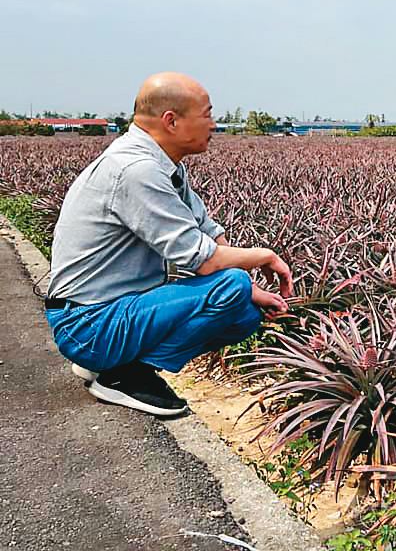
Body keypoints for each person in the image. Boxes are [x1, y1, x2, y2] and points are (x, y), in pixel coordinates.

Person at [44, 73, 292, 416]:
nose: (214, 124)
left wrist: (252, 289)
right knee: (233, 285)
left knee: (244, 315)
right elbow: (201, 259)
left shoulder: (164, 165)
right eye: (207, 114)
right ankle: (123, 376)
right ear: (171, 121)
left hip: (113, 310)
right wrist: (264, 256)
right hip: (88, 322)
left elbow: (206, 231)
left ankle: (111, 364)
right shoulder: (137, 170)